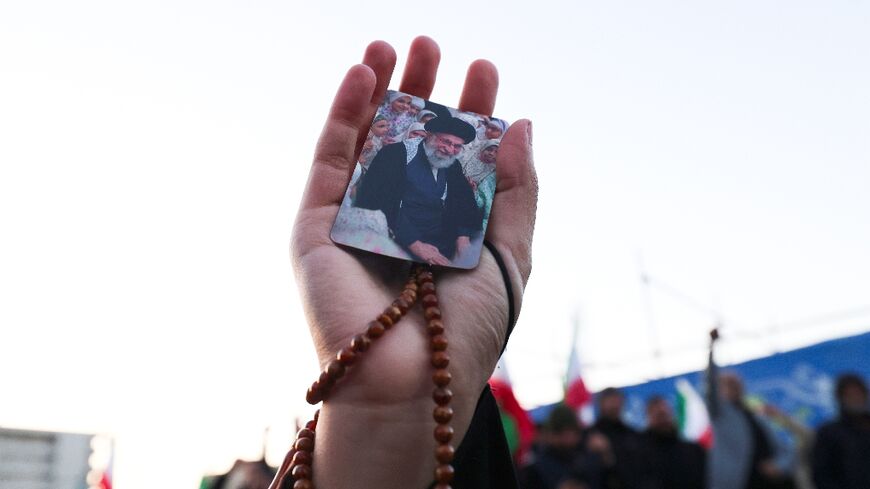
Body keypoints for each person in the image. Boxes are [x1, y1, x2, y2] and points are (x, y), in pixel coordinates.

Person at [290, 35, 536, 489]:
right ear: (427, 137)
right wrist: (415, 245)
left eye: (454, 143)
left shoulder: (459, 180)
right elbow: (378, 206)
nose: (447, 147)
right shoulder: (391, 160)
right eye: (442, 138)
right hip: (390, 247)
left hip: (437, 267)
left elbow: (464, 219)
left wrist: (461, 243)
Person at [355, 115, 483, 265]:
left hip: (440, 234)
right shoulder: (395, 154)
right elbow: (377, 199)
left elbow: (463, 200)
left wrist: (463, 238)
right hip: (399, 233)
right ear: (430, 136)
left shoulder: (453, 164)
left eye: (457, 146)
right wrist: (415, 244)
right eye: (446, 141)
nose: (449, 150)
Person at [706, 330, 783, 489]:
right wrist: (712, 348)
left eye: (737, 384)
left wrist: (779, 466)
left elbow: (783, 449)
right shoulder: (720, 414)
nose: (735, 388)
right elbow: (710, 384)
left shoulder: (756, 416)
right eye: (729, 384)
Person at [518, 404, 617, 489]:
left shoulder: (589, 453)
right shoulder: (538, 466)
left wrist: (606, 456)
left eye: (572, 433)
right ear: (550, 435)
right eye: (561, 434)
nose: (568, 439)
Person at [811, 373, 870, 489]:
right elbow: (822, 475)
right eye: (849, 395)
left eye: (858, 393)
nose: (856, 398)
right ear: (840, 398)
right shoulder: (828, 432)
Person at [640, 396, 707, 489]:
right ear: (649, 418)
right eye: (659, 415)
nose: (664, 420)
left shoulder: (693, 450)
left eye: (666, 414)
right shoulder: (640, 454)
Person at [588, 388, 647, 489]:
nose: (615, 405)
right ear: (601, 403)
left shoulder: (633, 436)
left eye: (617, 401)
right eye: (610, 401)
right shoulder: (590, 435)